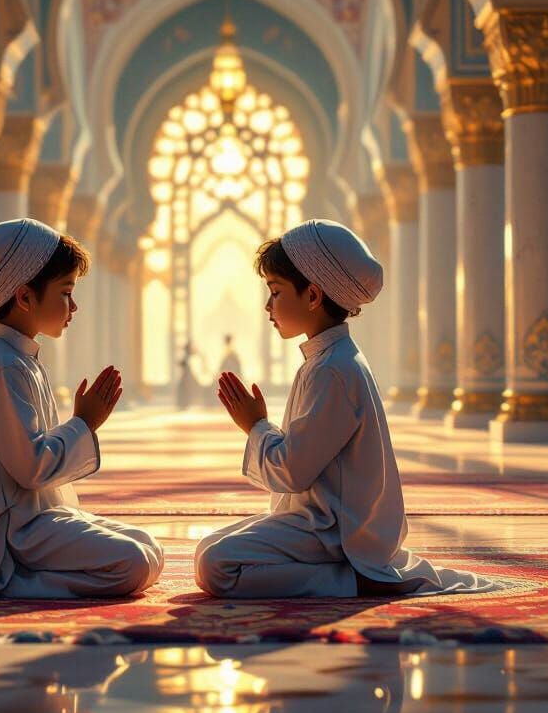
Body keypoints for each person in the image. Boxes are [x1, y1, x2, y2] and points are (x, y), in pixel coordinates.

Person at [196, 218, 492, 599]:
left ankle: (353, 581)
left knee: (217, 566)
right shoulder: (330, 360)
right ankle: (346, 573)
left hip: (337, 531)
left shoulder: (334, 371)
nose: (268, 306)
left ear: (313, 297)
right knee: (208, 548)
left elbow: (292, 472)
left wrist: (255, 425)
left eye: (276, 291)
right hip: (320, 521)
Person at [0, 218, 164, 598]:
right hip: (10, 533)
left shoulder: (20, 358)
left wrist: (82, 425)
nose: (74, 306)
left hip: (34, 518)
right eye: (65, 293)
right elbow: (32, 468)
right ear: (24, 298)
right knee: (133, 565)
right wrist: (85, 422)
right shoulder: (2, 366)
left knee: (149, 547)